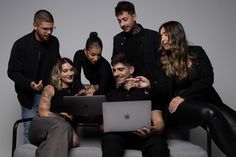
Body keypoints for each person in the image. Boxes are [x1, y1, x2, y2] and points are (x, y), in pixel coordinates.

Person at [139, 21, 236, 157]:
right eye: (161, 36)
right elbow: (163, 88)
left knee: (234, 122)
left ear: (176, 34)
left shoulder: (197, 51)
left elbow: (208, 79)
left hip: (205, 99)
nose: (163, 39)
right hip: (177, 107)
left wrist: (184, 96)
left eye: (166, 34)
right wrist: (149, 85)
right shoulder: (162, 61)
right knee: (210, 113)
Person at [7, 9, 60, 143]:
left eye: (51, 28)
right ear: (34, 25)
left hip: (50, 96)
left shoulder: (54, 42)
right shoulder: (21, 45)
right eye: (45, 29)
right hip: (29, 98)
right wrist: (29, 84)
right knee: (30, 134)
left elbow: (57, 66)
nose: (49, 32)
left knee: (50, 135)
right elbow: (12, 72)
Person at [101, 53, 169, 157]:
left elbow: (159, 122)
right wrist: (108, 127)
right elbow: (101, 126)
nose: (115, 74)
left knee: (158, 144)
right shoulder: (111, 95)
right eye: (114, 70)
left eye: (120, 69)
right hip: (119, 137)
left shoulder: (147, 91)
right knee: (109, 139)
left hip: (145, 136)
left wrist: (153, 130)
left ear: (131, 70)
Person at [28, 57, 79, 157]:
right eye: (65, 71)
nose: (70, 73)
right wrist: (63, 117)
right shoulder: (50, 88)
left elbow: (73, 118)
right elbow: (43, 112)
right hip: (40, 126)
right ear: (58, 74)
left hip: (60, 131)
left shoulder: (76, 93)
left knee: (69, 134)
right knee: (64, 126)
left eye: (71, 70)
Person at [112, 1, 159, 77]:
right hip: (127, 86)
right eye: (119, 21)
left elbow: (161, 65)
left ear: (134, 16)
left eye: (125, 19)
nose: (122, 24)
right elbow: (115, 63)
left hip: (149, 86)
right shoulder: (117, 39)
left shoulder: (152, 36)